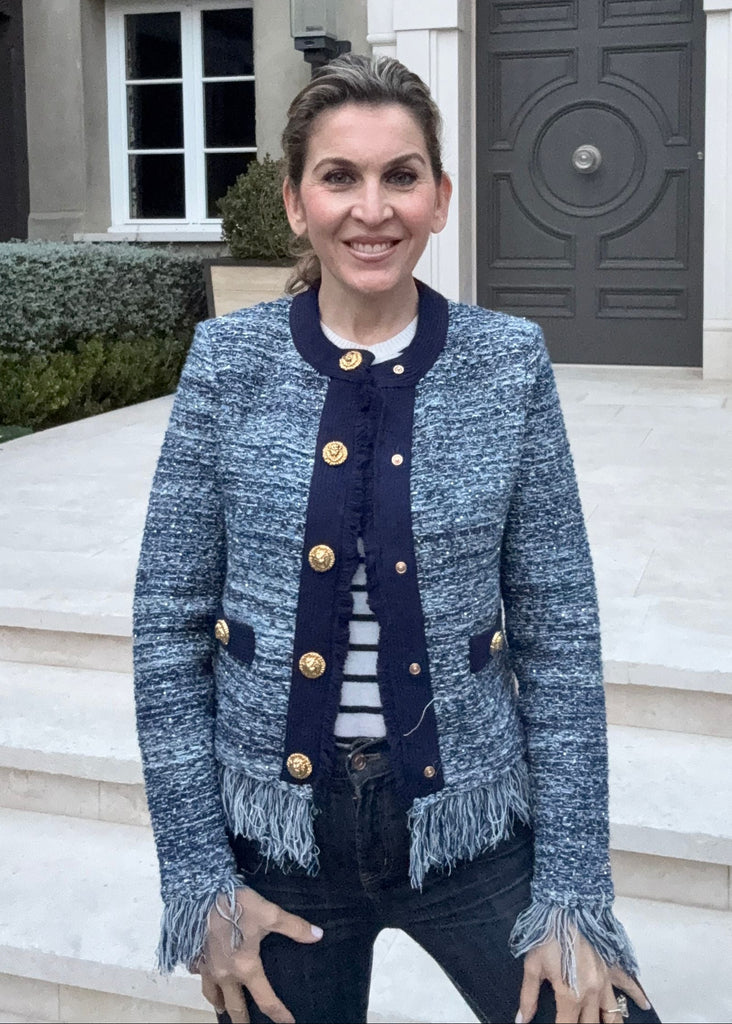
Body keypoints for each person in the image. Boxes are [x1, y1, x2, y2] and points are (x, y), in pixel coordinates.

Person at [133, 54, 661, 1024]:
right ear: (296, 202)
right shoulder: (229, 362)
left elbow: (558, 633)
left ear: (440, 197)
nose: (370, 207)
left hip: (470, 820)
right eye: (341, 176)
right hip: (278, 840)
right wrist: (201, 881)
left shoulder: (507, 363)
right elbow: (168, 626)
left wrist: (574, 887)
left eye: (400, 175)